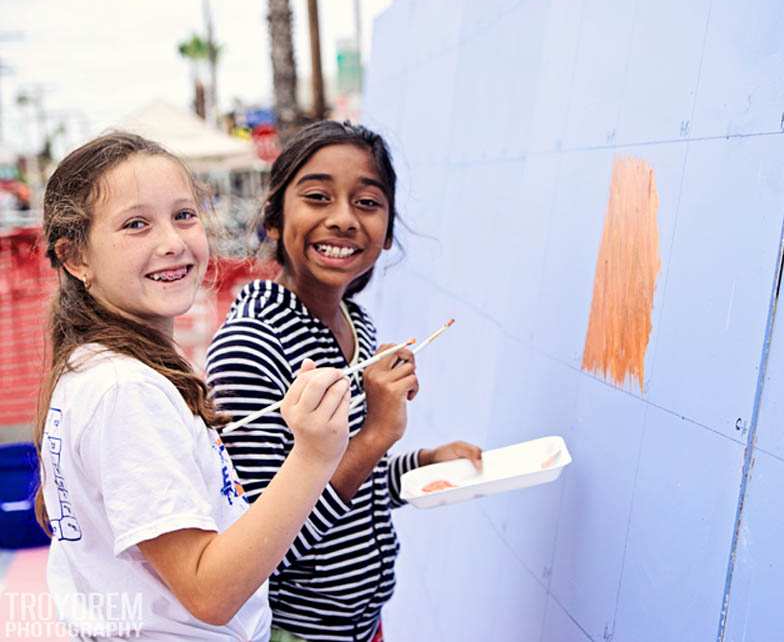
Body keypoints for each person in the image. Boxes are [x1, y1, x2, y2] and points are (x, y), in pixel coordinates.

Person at [34, 132, 352, 640]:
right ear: (76, 259)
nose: (173, 242)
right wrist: (314, 454)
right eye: (136, 224)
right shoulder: (124, 390)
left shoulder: (100, 369)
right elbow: (210, 593)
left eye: (183, 215)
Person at [206, 121, 482, 642]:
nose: (342, 220)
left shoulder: (355, 323)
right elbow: (269, 545)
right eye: (316, 197)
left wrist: (417, 466)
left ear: (389, 228)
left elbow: (353, 486)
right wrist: (377, 431)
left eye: (368, 203)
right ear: (272, 217)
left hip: (363, 626)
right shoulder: (250, 347)